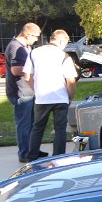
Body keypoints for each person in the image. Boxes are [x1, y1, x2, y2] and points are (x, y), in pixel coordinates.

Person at [23, 30, 77, 159]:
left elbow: (27, 76)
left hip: (42, 98)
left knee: (37, 128)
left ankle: (32, 156)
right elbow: (71, 80)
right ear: (61, 41)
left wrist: (36, 89)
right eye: (66, 43)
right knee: (60, 129)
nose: (65, 46)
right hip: (60, 97)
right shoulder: (64, 56)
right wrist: (70, 96)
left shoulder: (34, 53)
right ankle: (58, 157)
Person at [5, 23, 44, 163]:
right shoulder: (16, 47)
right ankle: (24, 153)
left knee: (31, 124)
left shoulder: (23, 47)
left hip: (27, 91)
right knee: (24, 125)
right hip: (21, 92)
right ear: (27, 34)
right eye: (35, 37)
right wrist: (36, 69)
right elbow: (16, 70)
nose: (36, 40)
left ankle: (32, 151)